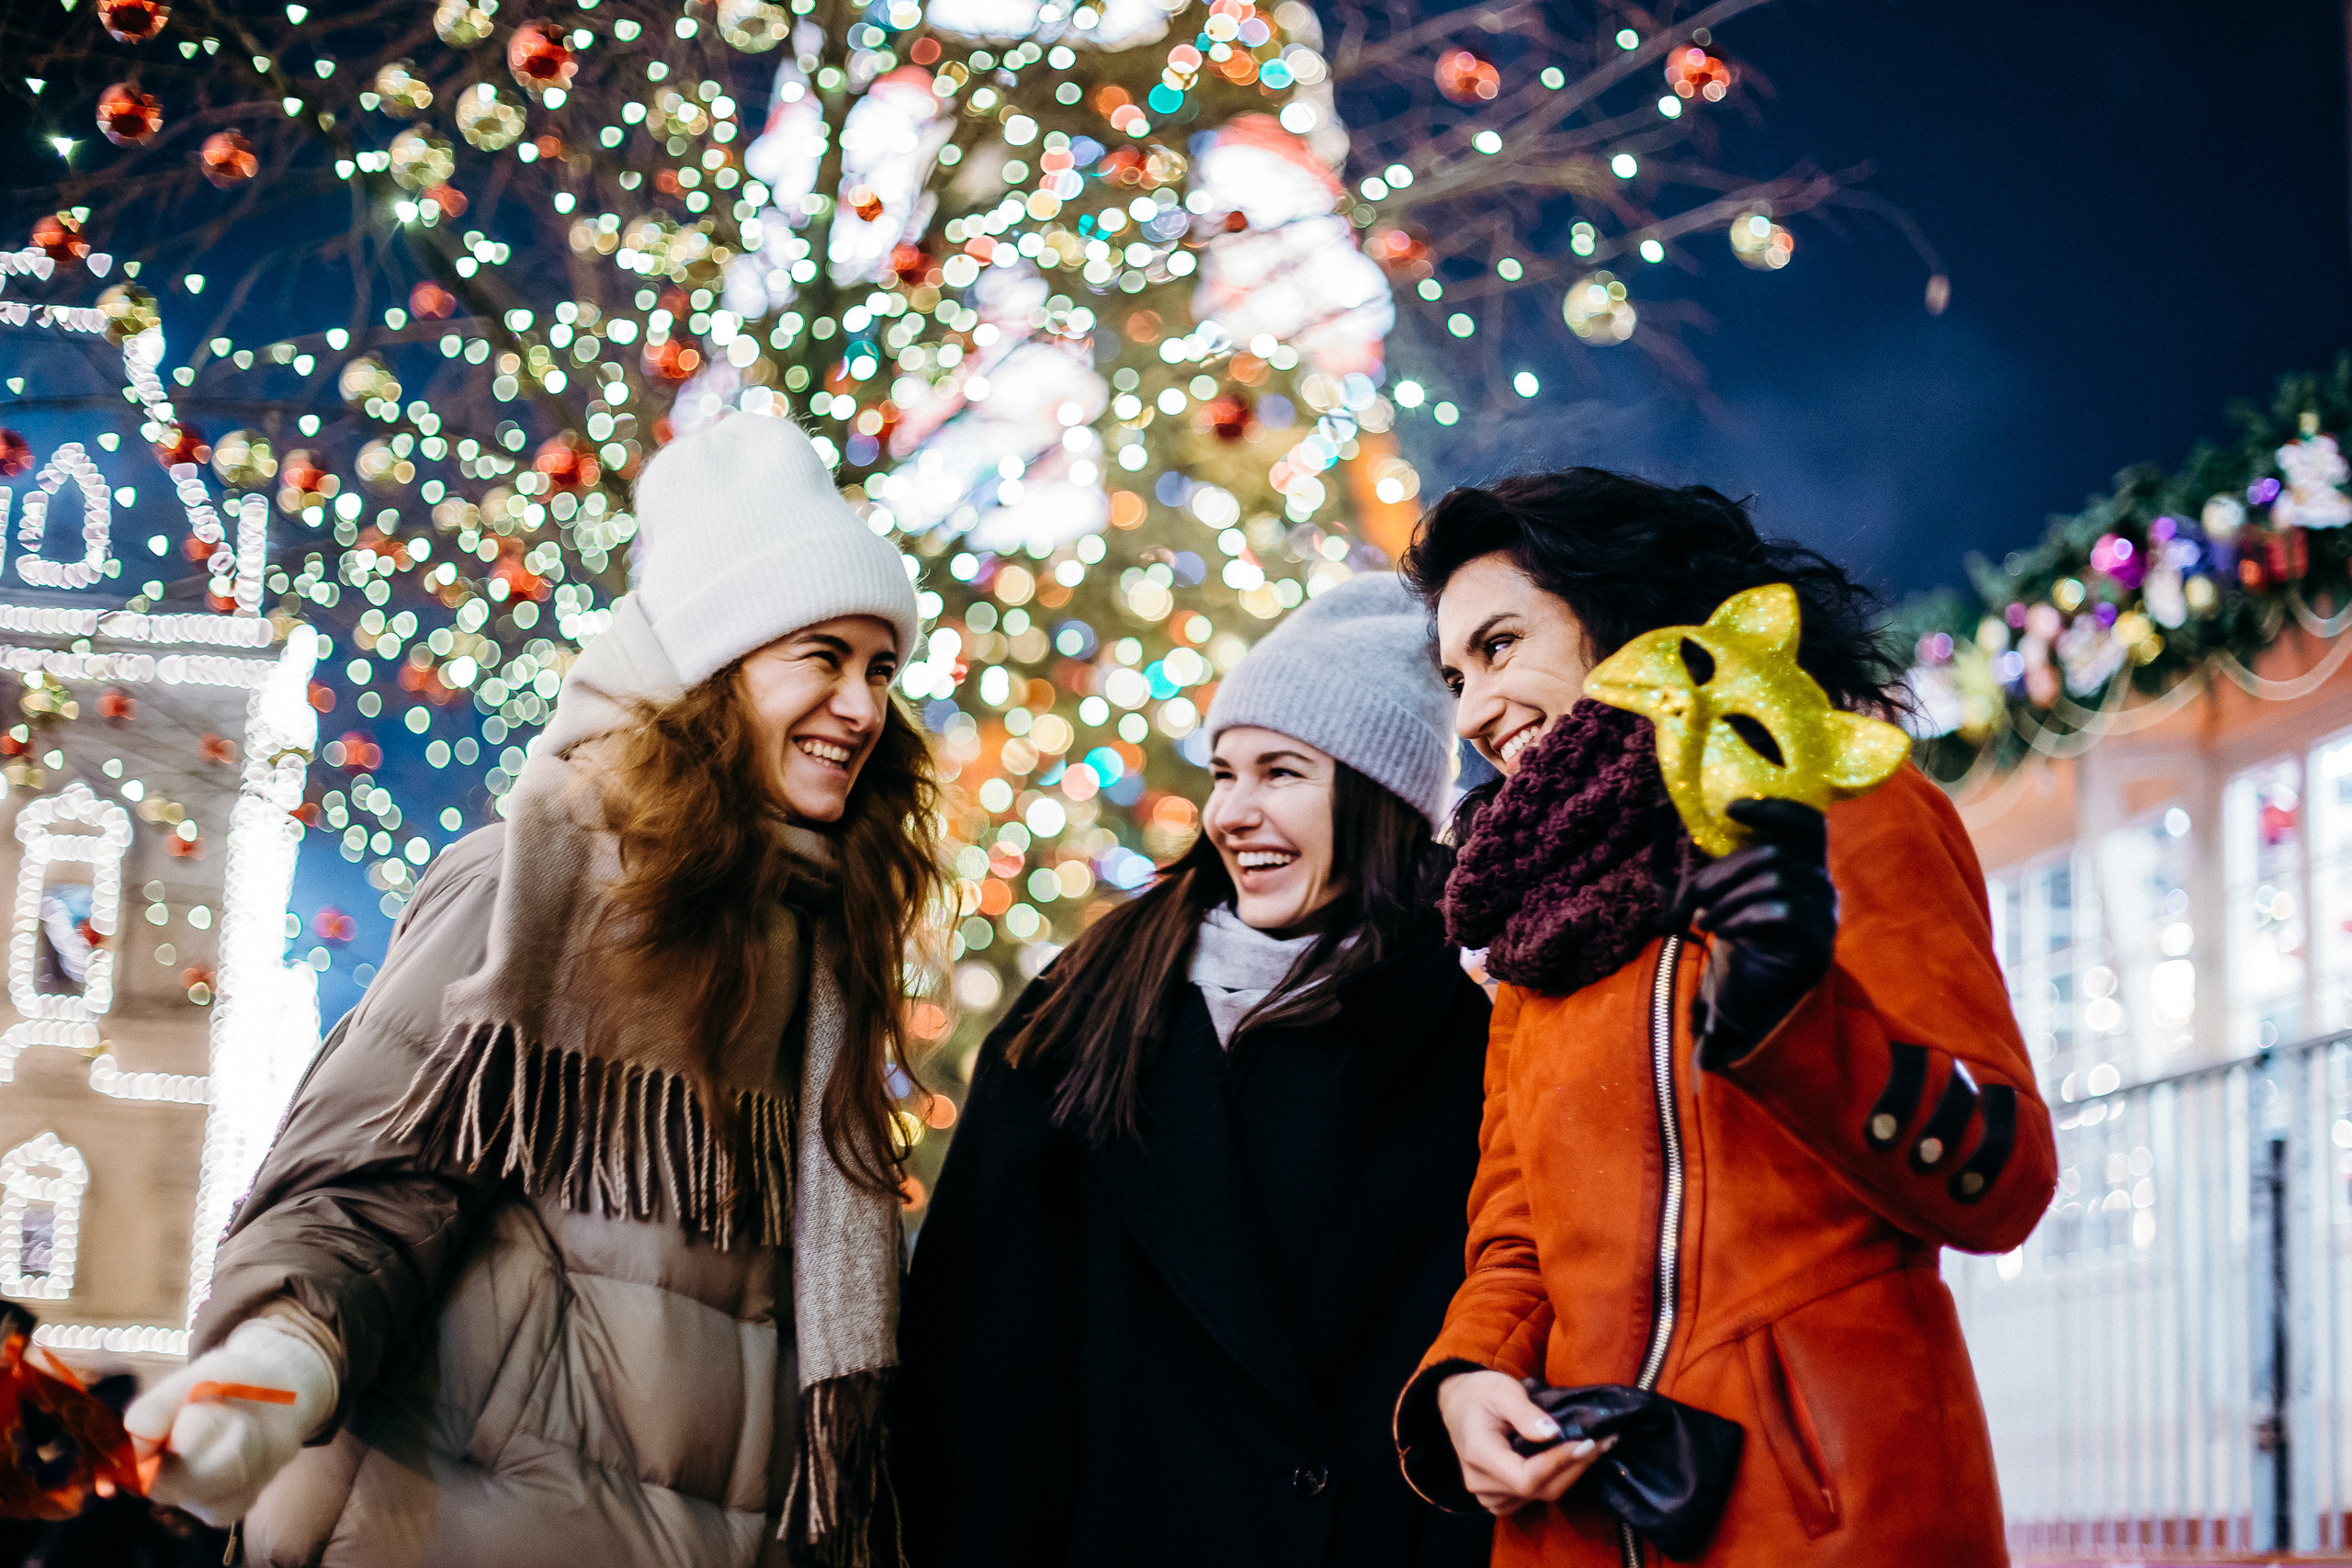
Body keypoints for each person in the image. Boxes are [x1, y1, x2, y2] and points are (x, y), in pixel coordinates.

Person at [122, 414, 945, 1568]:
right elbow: (370, 1180)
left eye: (880, 669)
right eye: (820, 656)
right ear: (712, 669)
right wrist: (274, 1364)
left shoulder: (824, 952)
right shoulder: (537, 881)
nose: (861, 708)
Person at [1390, 470, 2057, 1568]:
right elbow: (1515, 1236)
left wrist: (1791, 1021)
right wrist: (1468, 1381)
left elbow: (2007, 1175)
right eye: (1454, 675)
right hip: (1574, 1521)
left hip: (1824, 1514)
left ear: (1619, 608)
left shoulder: (1843, 811)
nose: (1470, 712)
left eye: (1500, 648)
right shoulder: (1532, 921)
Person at [896, 574, 1496, 1568]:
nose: (1233, 814)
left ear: (1381, 795)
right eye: (1224, 774)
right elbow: (975, 1363)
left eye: (1280, 774)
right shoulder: (1089, 1007)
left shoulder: (1461, 1029)